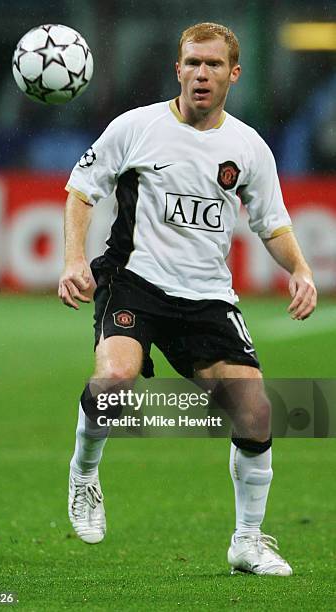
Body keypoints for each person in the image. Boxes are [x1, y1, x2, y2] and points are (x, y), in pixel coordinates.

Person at [58, 22, 317, 576]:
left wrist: (298, 268)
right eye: (193, 63)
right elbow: (82, 189)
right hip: (135, 281)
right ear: (178, 69)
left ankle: (247, 541)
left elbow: (272, 223)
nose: (202, 73)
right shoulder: (137, 127)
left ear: (234, 74)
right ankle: (84, 474)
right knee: (114, 382)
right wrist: (74, 260)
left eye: (214, 65)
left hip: (205, 297)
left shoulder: (248, 147)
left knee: (255, 411)